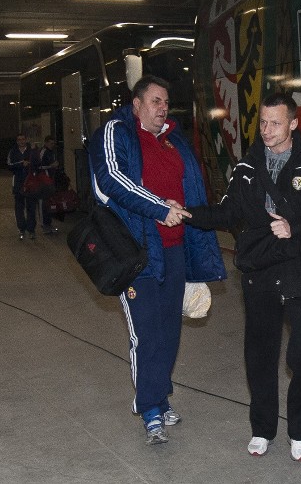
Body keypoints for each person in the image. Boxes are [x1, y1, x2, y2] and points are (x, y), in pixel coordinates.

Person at [184, 92, 301, 461]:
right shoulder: (247, 167)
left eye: (275, 123)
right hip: (260, 271)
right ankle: (262, 429)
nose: (267, 131)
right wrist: (187, 213)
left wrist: (297, 227)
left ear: (293, 123)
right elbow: (226, 214)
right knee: (259, 355)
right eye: (263, 123)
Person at [89, 75, 227, 445]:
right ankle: (149, 407)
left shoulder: (174, 141)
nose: (162, 107)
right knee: (146, 332)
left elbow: (193, 190)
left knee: (169, 330)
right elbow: (113, 179)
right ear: (136, 104)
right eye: (154, 100)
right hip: (135, 251)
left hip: (175, 248)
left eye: (166, 102)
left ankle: (161, 395)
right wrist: (158, 206)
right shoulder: (116, 132)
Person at [6, 133, 37, 240]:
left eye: (23, 139)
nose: (21, 141)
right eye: (19, 139)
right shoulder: (13, 151)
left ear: (26, 140)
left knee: (31, 207)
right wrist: (20, 164)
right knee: (19, 208)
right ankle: (21, 229)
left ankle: (31, 230)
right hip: (18, 183)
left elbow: (38, 163)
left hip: (30, 183)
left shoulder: (32, 149)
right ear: (17, 141)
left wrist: (33, 152)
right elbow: (9, 165)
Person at [36, 136, 59, 234]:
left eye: (53, 143)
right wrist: (51, 166)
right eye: (50, 143)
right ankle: (44, 224)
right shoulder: (43, 152)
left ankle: (48, 223)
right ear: (45, 143)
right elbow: (38, 166)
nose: (52, 145)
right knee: (43, 202)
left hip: (50, 179)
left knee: (49, 202)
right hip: (43, 180)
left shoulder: (51, 152)